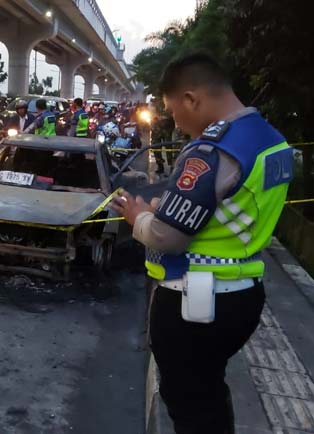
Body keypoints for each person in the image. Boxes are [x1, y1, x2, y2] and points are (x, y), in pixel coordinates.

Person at [111, 52, 293, 434]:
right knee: (209, 395)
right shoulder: (272, 141)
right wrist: (166, 206)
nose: (174, 122)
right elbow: (227, 208)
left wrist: (138, 217)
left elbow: (167, 237)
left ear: (192, 98)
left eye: (173, 110)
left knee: (190, 407)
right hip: (242, 294)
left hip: (194, 305)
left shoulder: (211, 151)